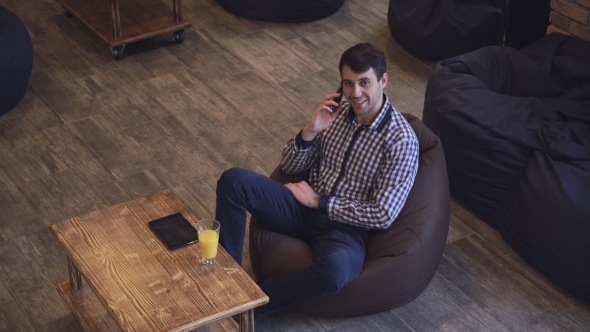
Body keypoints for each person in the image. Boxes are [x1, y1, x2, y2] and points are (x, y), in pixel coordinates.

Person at [215, 42, 419, 315]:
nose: (355, 93)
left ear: (383, 80)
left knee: (334, 272)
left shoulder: (401, 141)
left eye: (364, 83)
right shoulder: (334, 115)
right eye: (348, 84)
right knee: (233, 181)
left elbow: (382, 214)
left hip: (344, 228)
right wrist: (310, 131)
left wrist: (319, 201)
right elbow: (289, 165)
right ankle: (222, 285)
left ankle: (246, 307)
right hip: (299, 208)